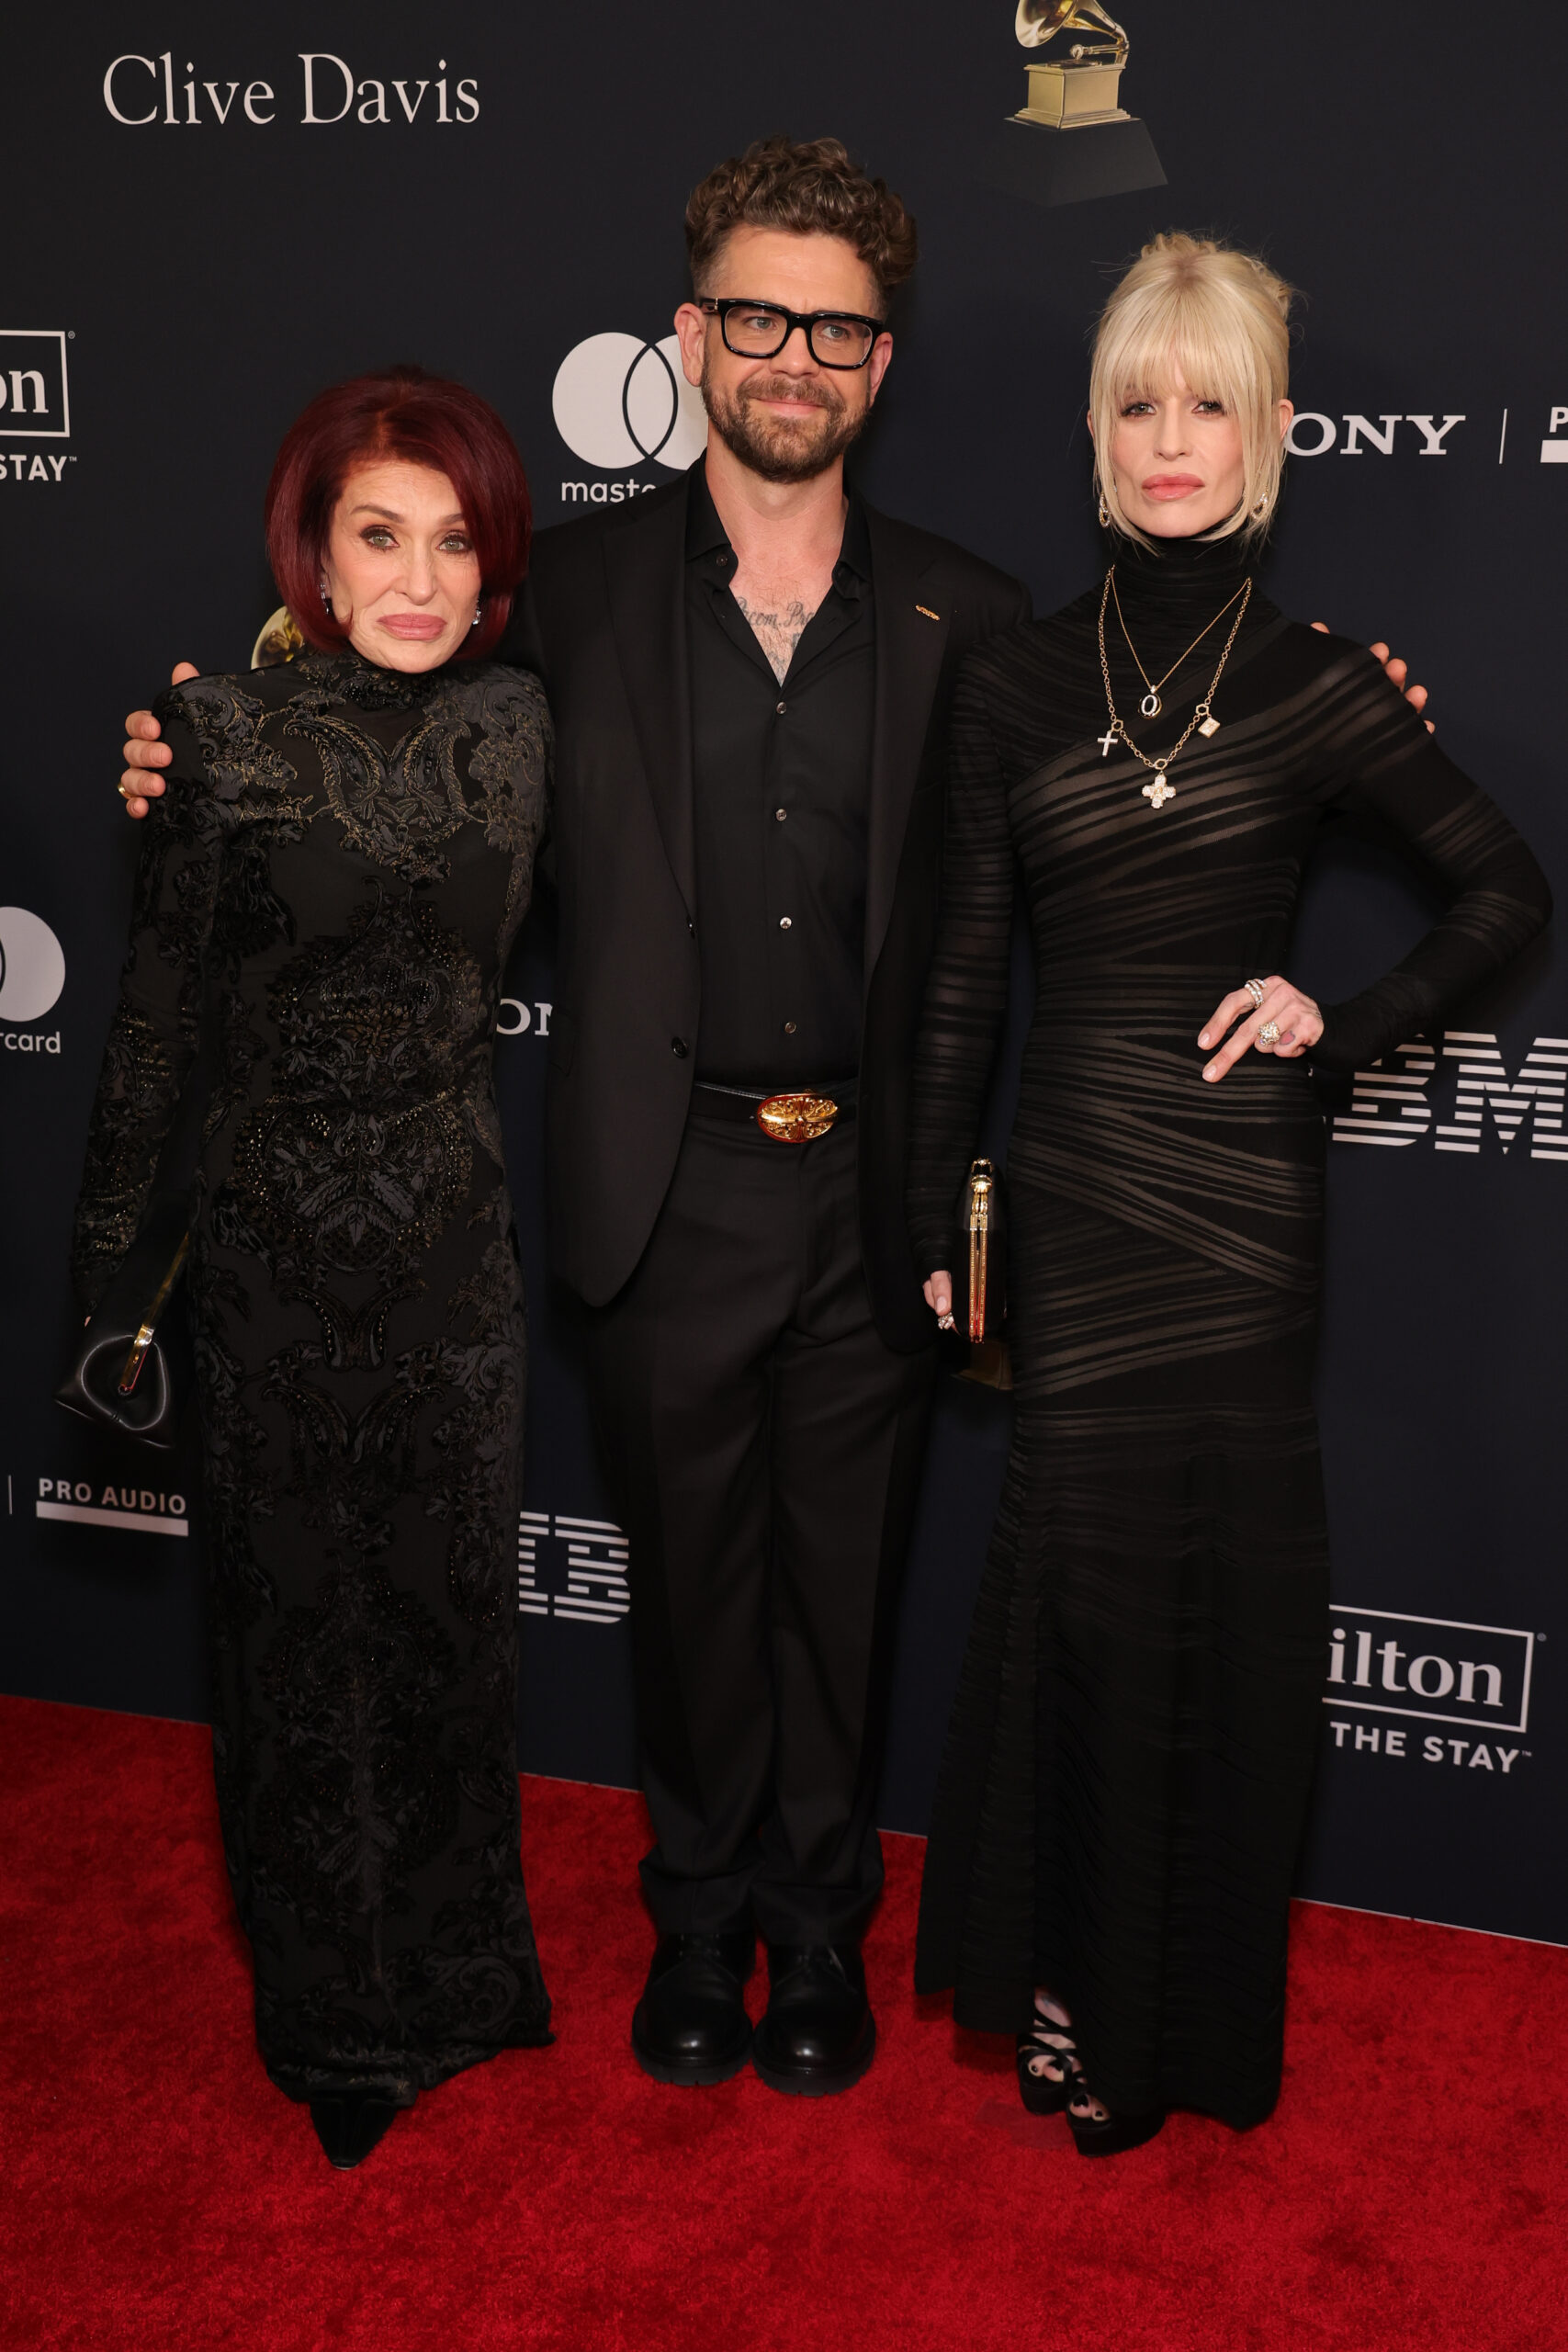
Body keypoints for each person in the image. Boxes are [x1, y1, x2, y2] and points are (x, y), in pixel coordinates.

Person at [112, 146, 1429, 2104]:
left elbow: (1142, 742)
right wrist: (203, 749)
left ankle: (818, 1930)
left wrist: (1337, 714)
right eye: (753, 314)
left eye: (829, 324)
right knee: (693, 1595)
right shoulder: (564, 590)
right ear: (691, 336)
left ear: (877, 362)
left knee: (846, 1586)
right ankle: (697, 1919)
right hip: (663, 1175)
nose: (787, 355)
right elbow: (382, 714)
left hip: (880, 1189)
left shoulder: (971, 623)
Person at [907, 234, 1551, 2155]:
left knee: (1213, 1606)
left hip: (1242, 1210)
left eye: (1203, 403)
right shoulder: (1013, 677)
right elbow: (957, 971)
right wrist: (941, 1222)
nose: (1167, 439)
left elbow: (1504, 888)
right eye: (1133, 402)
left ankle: (1174, 2017)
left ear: (1267, 432)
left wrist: (1334, 1023)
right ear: (1093, 431)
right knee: (1083, 1606)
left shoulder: (1317, 683)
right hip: (1078, 1197)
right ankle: (1067, 1982)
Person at [76, 368, 554, 2168]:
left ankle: (458, 1980)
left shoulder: (523, 728)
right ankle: (335, 2018)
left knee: (444, 1638)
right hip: (272, 1256)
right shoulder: (221, 740)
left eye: (452, 539)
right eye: (380, 534)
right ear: (317, 547)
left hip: (453, 1259)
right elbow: (153, 1031)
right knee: (291, 1650)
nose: (418, 575)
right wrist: (113, 1291)